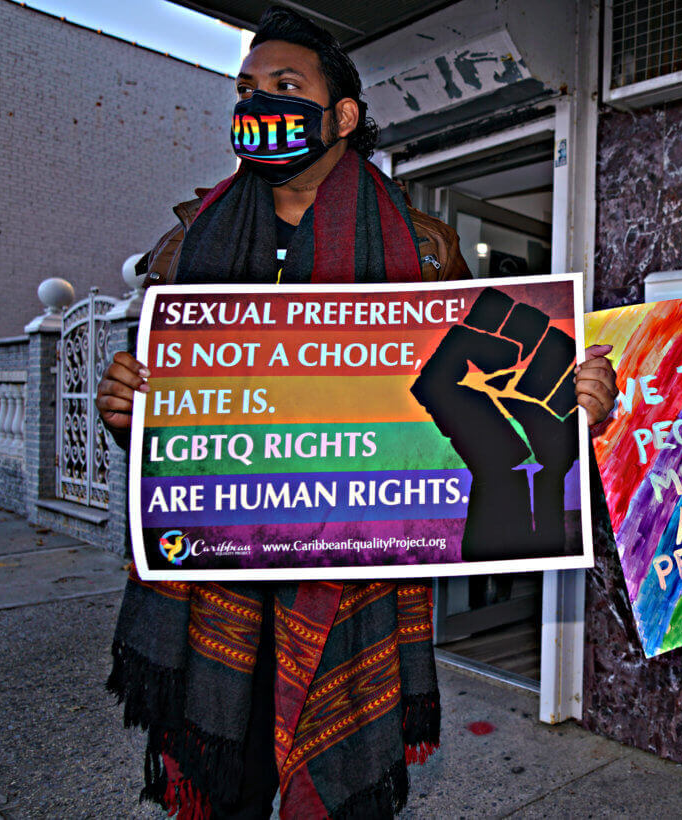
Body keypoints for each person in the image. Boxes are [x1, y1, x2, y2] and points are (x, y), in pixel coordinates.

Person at [96, 7, 617, 819]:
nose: (257, 102)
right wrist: (126, 411)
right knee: (223, 793)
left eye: (285, 86)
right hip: (217, 592)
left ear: (341, 116)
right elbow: (155, 415)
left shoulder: (423, 247)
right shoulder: (186, 244)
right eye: (245, 88)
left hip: (352, 589)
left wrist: (576, 402)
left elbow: (488, 393)